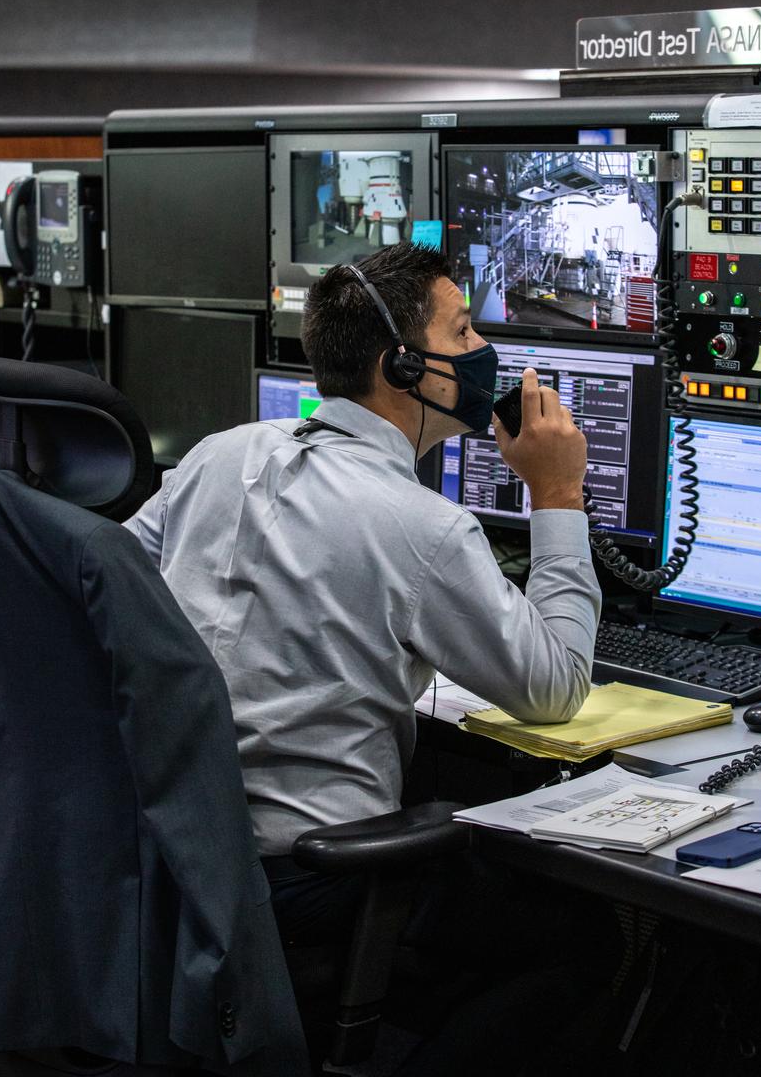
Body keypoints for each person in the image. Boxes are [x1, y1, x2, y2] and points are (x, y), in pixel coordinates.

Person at [125, 241, 601, 944]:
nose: (482, 347)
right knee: (579, 930)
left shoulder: (221, 453)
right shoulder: (423, 528)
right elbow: (555, 688)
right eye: (463, 331)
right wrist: (557, 494)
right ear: (403, 369)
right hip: (306, 882)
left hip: (166, 859)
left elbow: (112, 584)